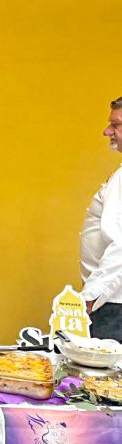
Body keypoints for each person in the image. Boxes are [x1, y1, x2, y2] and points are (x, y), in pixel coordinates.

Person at [81, 96, 122, 340]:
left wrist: (90, 297)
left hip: (113, 304)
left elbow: (121, 245)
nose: (107, 131)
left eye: (116, 125)